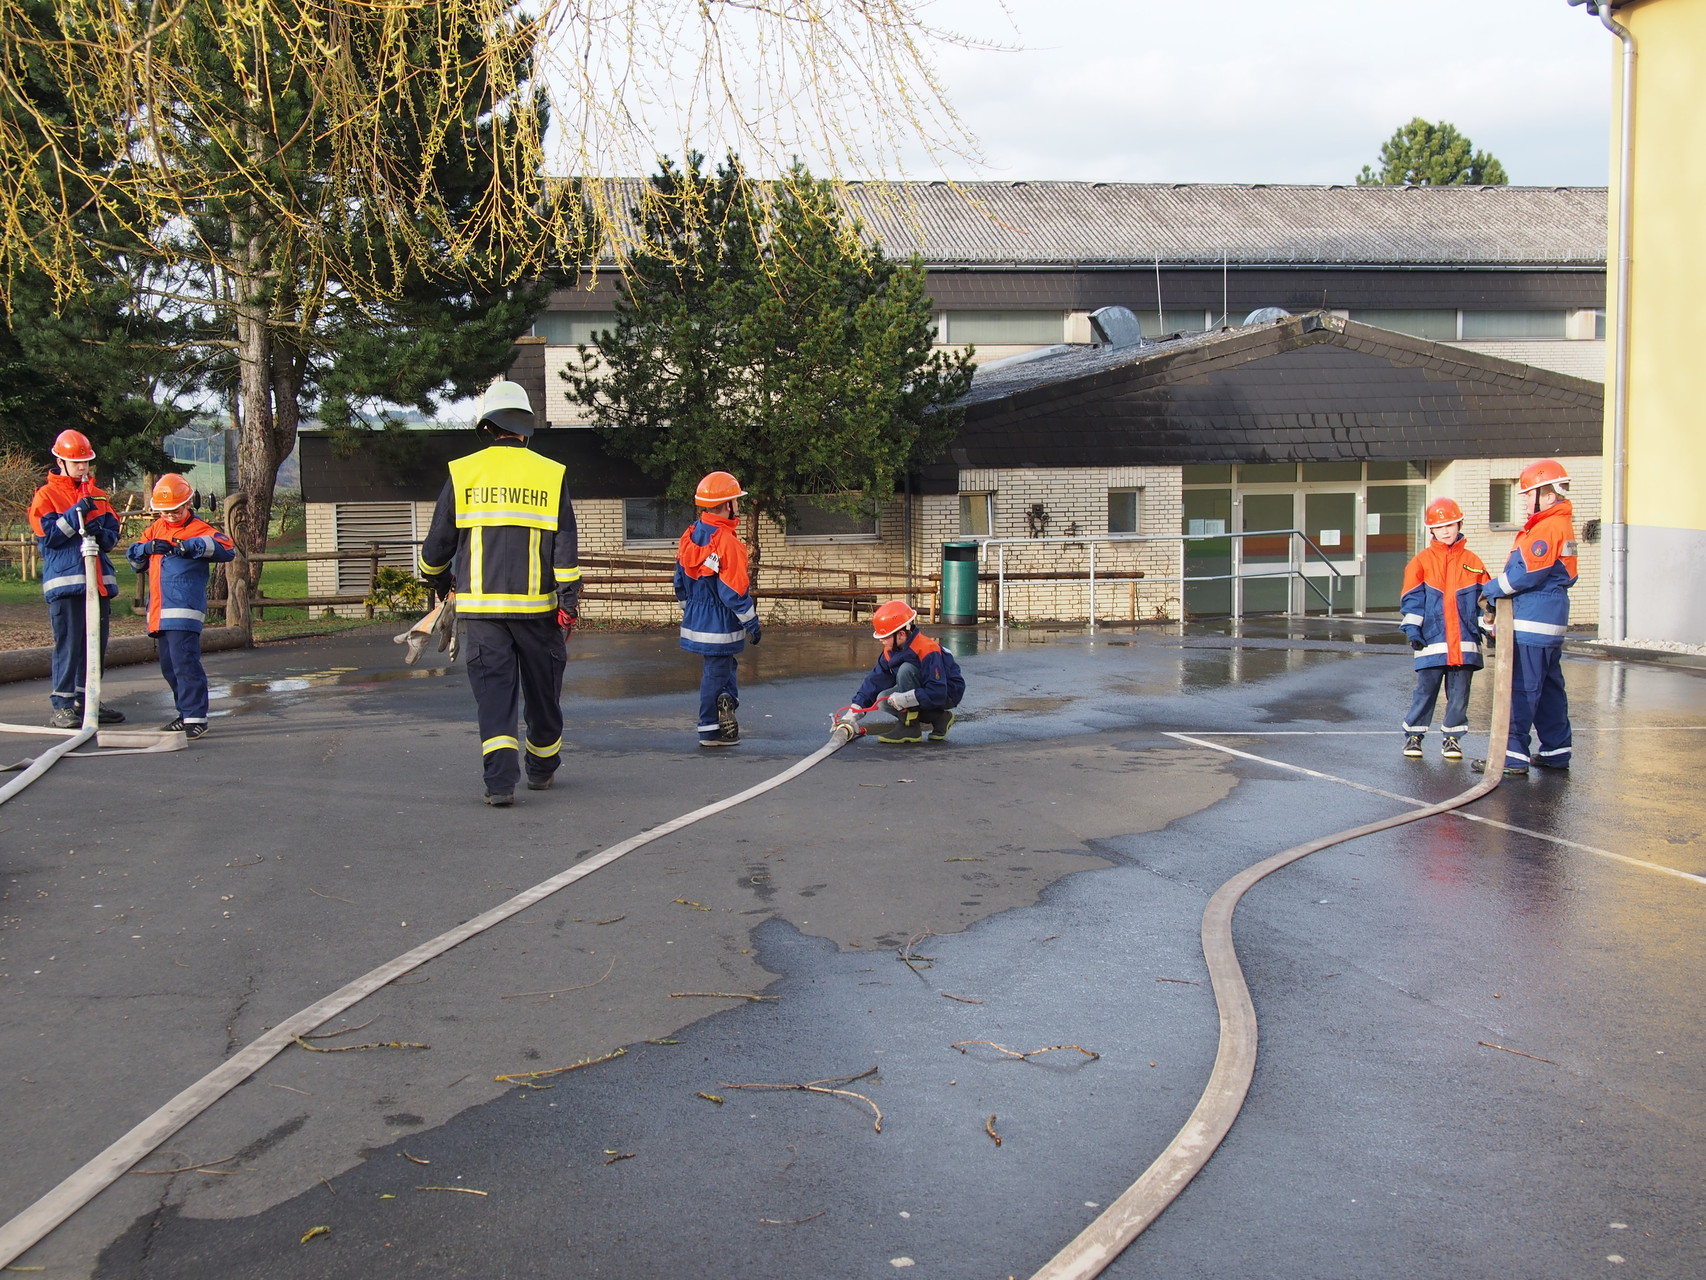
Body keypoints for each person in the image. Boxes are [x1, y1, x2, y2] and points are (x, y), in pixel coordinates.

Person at [418, 381, 581, 806]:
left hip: (483, 616)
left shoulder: (463, 473)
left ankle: (499, 784)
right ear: (525, 428)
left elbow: (435, 550)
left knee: (495, 699)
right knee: (543, 695)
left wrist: (438, 580)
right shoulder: (551, 474)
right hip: (540, 615)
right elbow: (565, 550)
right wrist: (569, 603)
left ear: (487, 427)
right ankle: (541, 770)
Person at [1475, 459, 1578, 777]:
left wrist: (1491, 590)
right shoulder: (1559, 523)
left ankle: (1511, 756)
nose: (1524, 501)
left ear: (1547, 494)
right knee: (1548, 690)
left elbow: (1525, 574)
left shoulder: (1546, 527)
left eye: (1528, 494)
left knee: (1521, 689)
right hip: (1548, 621)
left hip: (1531, 622)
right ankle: (1556, 750)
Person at [26, 429, 125, 728]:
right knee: (69, 645)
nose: (82, 467)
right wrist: (74, 515)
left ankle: (88, 701)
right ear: (60, 461)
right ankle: (63, 705)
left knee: (95, 646)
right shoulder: (46, 495)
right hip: (67, 584)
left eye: (86, 462)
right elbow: (49, 536)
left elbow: (112, 535)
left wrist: (100, 532)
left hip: (98, 583)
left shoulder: (99, 495)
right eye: (76, 462)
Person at [126, 475, 236, 738]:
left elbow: (226, 548)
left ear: (188, 504)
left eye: (175, 510)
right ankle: (186, 713)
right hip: (160, 612)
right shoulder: (155, 529)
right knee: (169, 666)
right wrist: (146, 549)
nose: (170, 515)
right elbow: (134, 561)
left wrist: (189, 546)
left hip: (184, 610)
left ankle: (195, 717)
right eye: (165, 511)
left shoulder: (198, 528)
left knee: (184, 663)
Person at [1398, 498, 1489, 762]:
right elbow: (1412, 600)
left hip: (1465, 643)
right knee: (1425, 692)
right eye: (1440, 527)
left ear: (1460, 524)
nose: (1446, 531)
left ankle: (1452, 739)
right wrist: (1413, 630)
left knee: (1459, 696)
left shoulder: (1473, 561)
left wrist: (1490, 629)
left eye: (1450, 525)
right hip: (1432, 642)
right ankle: (1414, 736)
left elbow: (1485, 603)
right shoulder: (1421, 562)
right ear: (1432, 530)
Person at [675, 471, 761, 747]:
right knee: (716, 672)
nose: (738, 505)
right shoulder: (728, 542)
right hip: (721, 621)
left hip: (697, 616)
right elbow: (733, 592)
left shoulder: (690, 534)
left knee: (723, 667)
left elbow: (679, 580)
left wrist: (690, 610)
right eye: (736, 500)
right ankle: (710, 730)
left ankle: (727, 703)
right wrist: (752, 622)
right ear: (727, 505)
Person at [839, 599, 965, 744]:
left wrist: (906, 698)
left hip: (948, 692)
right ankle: (940, 718)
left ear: (901, 635)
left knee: (906, 670)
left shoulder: (927, 650)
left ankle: (910, 728)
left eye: (885, 636)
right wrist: (854, 712)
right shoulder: (890, 650)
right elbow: (875, 681)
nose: (881, 640)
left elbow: (938, 692)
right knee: (883, 700)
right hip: (926, 691)